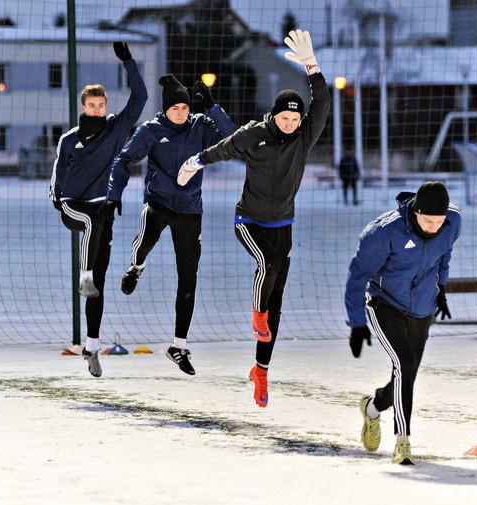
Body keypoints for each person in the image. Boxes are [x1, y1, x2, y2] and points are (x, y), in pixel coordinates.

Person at [180, 29, 330, 407]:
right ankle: (256, 313)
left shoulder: (304, 137)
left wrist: (311, 66)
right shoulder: (257, 133)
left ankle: (261, 371)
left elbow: (323, 103)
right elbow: (227, 146)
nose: (292, 124)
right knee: (270, 262)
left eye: (296, 120)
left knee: (277, 299)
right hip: (248, 222)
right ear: (275, 115)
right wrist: (196, 161)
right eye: (286, 118)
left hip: (283, 225)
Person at [104, 73, 236, 376]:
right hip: (159, 203)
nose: (182, 113)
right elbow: (123, 161)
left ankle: (178, 346)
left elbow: (233, 140)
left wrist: (214, 107)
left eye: (186, 109)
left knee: (188, 277)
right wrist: (113, 195)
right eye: (176, 108)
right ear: (166, 110)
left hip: (190, 209)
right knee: (145, 241)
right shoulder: (152, 131)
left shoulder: (200, 126)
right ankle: (136, 266)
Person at [49, 42, 147, 378]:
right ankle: (85, 275)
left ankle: (91, 346)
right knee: (91, 219)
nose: (96, 109)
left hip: (100, 213)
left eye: (101, 105)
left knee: (100, 286)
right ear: (83, 106)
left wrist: (129, 62)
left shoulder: (116, 130)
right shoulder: (69, 138)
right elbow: (58, 175)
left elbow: (141, 98)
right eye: (91, 105)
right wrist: (58, 200)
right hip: (73, 207)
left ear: (106, 107)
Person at [344, 181, 461, 465]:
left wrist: (441, 288)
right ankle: (403, 443)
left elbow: (444, 253)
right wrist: (358, 323)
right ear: (416, 212)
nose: (435, 227)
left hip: (422, 307)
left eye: (439, 221)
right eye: (428, 220)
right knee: (405, 364)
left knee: (406, 375)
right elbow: (357, 277)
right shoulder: (383, 233)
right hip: (385, 304)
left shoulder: (453, 221)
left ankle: (372, 409)